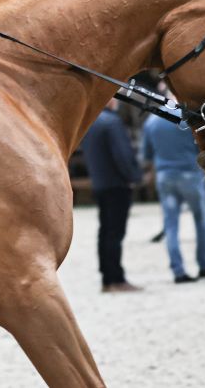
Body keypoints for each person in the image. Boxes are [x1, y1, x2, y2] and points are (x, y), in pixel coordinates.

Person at [140, 96, 205, 284]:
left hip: (165, 176)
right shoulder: (189, 119)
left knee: (171, 224)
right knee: (201, 220)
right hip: (191, 175)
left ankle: (178, 270)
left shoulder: (151, 121)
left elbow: (146, 155)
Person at [81, 99, 142, 293]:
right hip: (117, 183)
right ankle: (116, 277)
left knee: (105, 231)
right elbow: (122, 155)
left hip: (100, 182)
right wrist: (134, 176)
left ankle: (107, 277)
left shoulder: (90, 122)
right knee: (115, 233)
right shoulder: (112, 123)